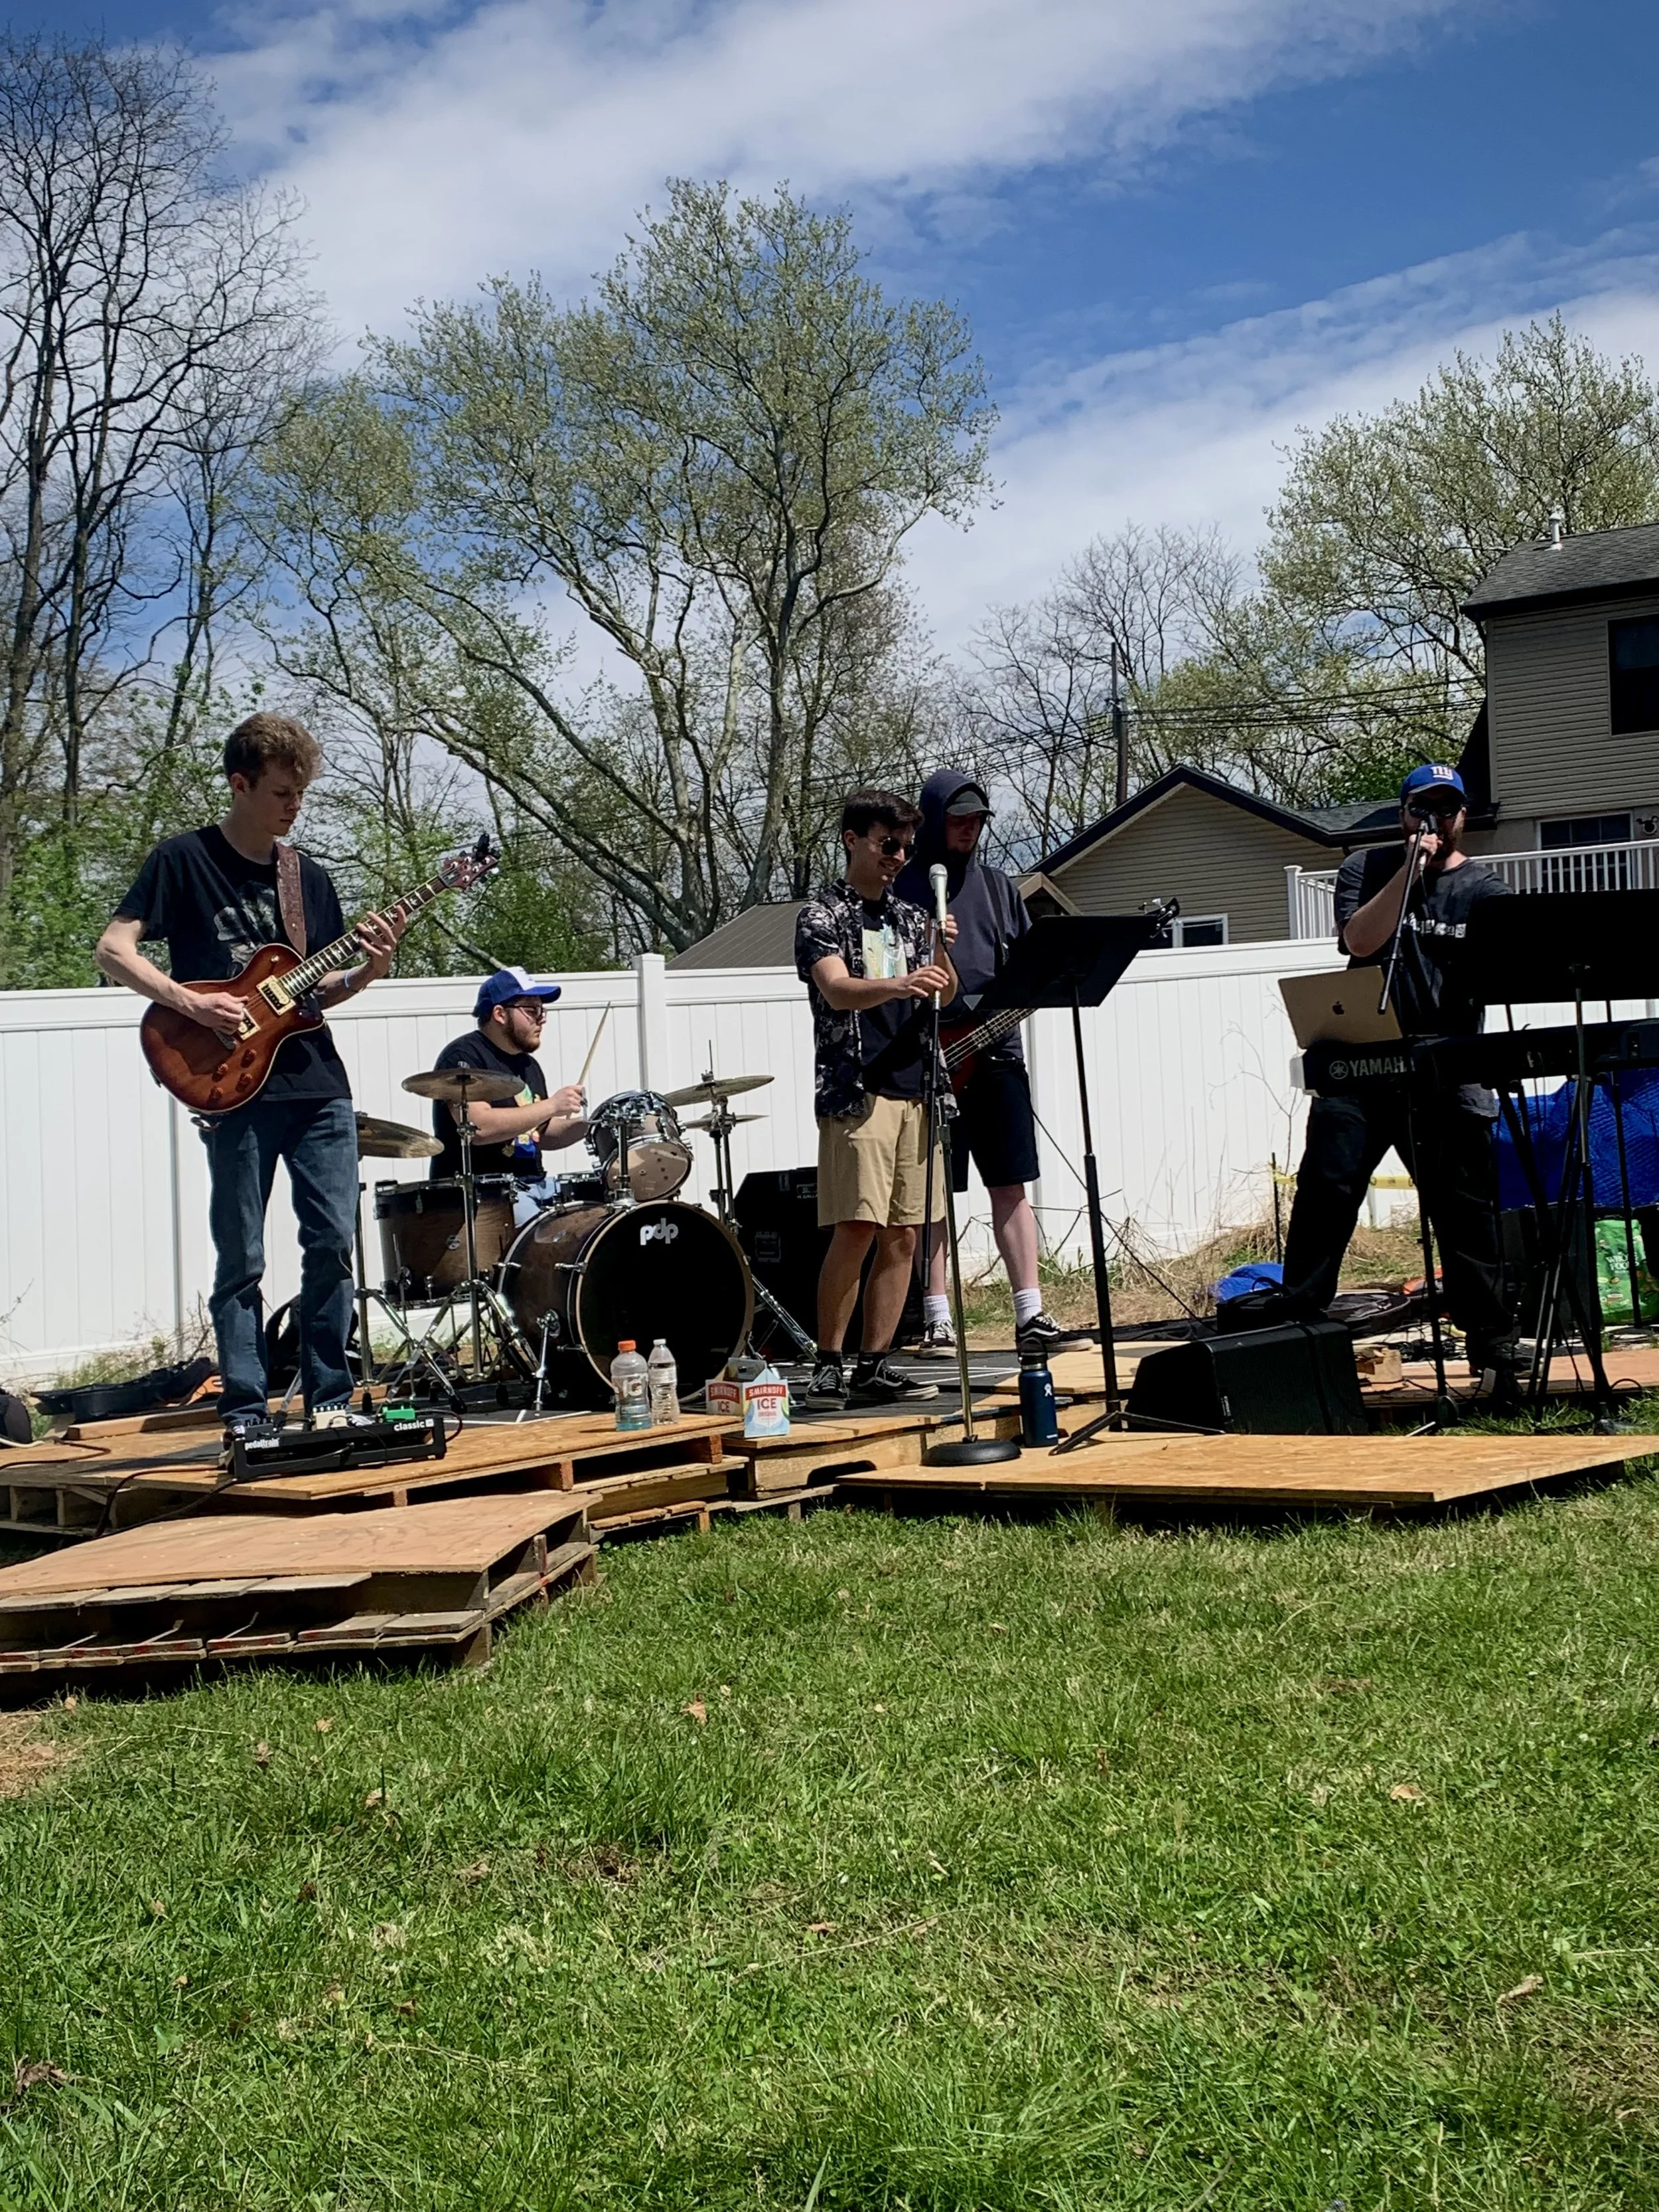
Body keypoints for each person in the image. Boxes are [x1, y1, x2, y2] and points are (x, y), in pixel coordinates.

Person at [96, 713, 405, 1436]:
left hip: (317, 1084)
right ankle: (244, 1409)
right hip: (231, 1084)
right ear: (239, 784)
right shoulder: (182, 861)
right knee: (241, 1255)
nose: (293, 807)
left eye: (300, 794)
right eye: (280, 793)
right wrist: (192, 1005)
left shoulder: (308, 879)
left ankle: (329, 1399)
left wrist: (374, 967)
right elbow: (113, 950)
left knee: (330, 1242)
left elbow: (316, 992)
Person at [1280, 762, 1520, 1381]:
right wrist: (1408, 872)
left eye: (1447, 809)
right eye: (1422, 808)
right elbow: (1359, 943)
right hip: (1363, 1062)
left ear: (1464, 816)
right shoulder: (1367, 868)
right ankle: (1296, 1331)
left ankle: (1491, 1344)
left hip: (1446, 1065)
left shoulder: (1485, 892)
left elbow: (1507, 971)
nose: (1435, 820)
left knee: (1464, 1209)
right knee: (1326, 1191)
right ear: (1404, 814)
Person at [897, 770, 1090, 1359]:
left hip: (999, 1056)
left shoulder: (1000, 887)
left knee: (1010, 1184)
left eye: (977, 821)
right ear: (933, 822)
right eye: (958, 820)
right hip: (929, 1055)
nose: (970, 830)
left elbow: (1029, 969)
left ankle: (1030, 1312)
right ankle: (936, 1318)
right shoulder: (903, 886)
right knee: (934, 1197)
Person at [795, 789, 959, 1410]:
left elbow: (945, 992)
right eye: (887, 844)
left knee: (905, 1235)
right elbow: (837, 990)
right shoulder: (822, 915)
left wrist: (942, 945)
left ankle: (875, 1362)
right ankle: (829, 1363)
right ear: (852, 839)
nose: (898, 857)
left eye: (907, 847)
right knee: (857, 1226)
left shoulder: (912, 918)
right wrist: (901, 982)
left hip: (918, 1088)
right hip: (857, 1089)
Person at [429, 967, 589, 1210]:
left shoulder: (528, 1065)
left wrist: (596, 1128)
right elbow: (479, 1127)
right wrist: (552, 1105)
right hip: (486, 1193)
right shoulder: (464, 1057)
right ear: (500, 1014)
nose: (542, 1018)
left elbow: (539, 1133)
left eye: (542, 1010)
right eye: (531, 1010)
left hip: (537, 1185)